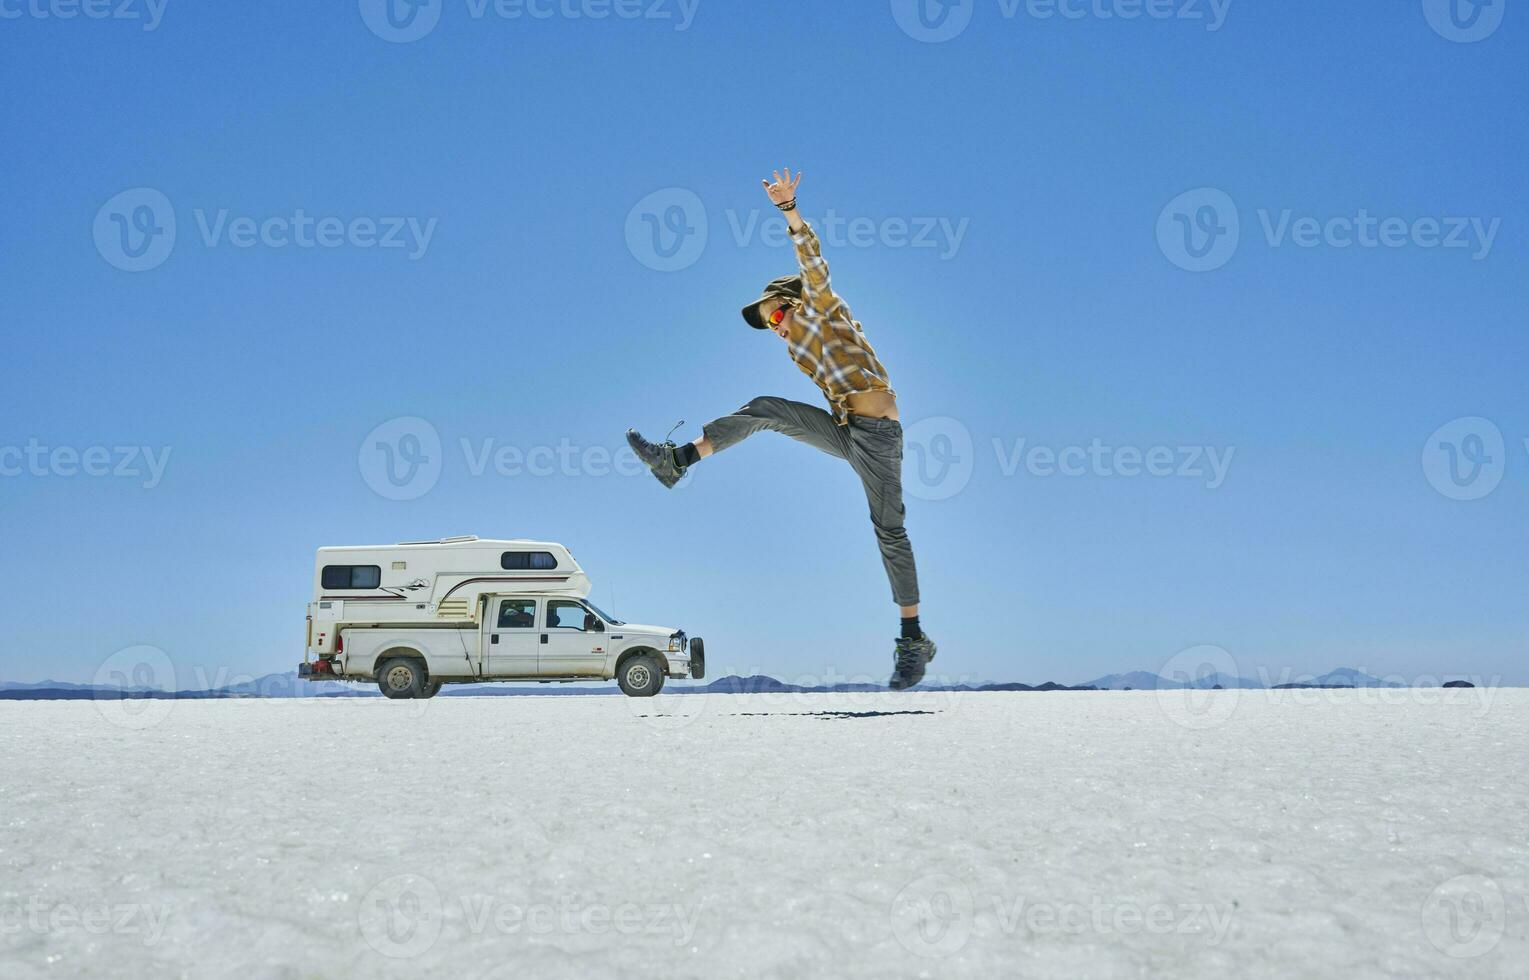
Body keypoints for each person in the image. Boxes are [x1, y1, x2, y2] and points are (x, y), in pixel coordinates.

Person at [627, 168, 937, 690]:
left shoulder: (820, 307)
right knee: (766, 407)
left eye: (773, 318)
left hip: (880, 439)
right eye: (767, 325)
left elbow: (812, 262)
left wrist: (787, 209)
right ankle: (676, 461)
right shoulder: (797, 349)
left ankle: (913, 638)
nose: (774, 330)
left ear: (792, 305)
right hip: (845, 431)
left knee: (889, 530)